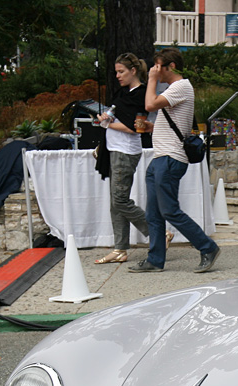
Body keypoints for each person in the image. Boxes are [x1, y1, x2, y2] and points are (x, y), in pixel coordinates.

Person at [131, 47, 220, 274]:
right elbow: (172, 121)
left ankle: (207, 247)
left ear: (170, 66)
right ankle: (155, 259)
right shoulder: (174, 89)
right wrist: (153, 127)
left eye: (158, 66)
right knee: (153, 213)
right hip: (161, 156)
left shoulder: (181, 86)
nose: (155, 70)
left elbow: (149, 105)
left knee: (169, 210)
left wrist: (150, 80)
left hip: (170, 158)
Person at [93, 53, 154, 265]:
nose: (117, 76)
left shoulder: (141, 94)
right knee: (115, 202)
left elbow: (134, 128)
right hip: (114, 149)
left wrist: (106, 124)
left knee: (119, 200)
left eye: (121, 72)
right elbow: (116, 116)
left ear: (133, 71)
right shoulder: (123, 92)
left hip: (126, 151)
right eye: (116, 72)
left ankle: (156, 233)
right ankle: (120, 248)